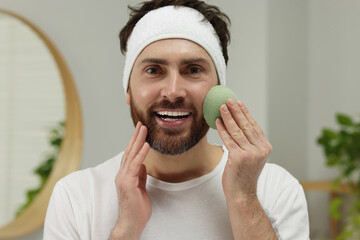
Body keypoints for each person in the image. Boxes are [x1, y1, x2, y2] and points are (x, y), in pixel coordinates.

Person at [44, 0, 309, 239]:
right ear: (128, 89)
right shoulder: (76, 197)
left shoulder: (275, 189)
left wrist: (243, 199)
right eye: (153, 70)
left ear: (219, 88)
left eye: (193, 70)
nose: (172, 92)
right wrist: (125, 230)